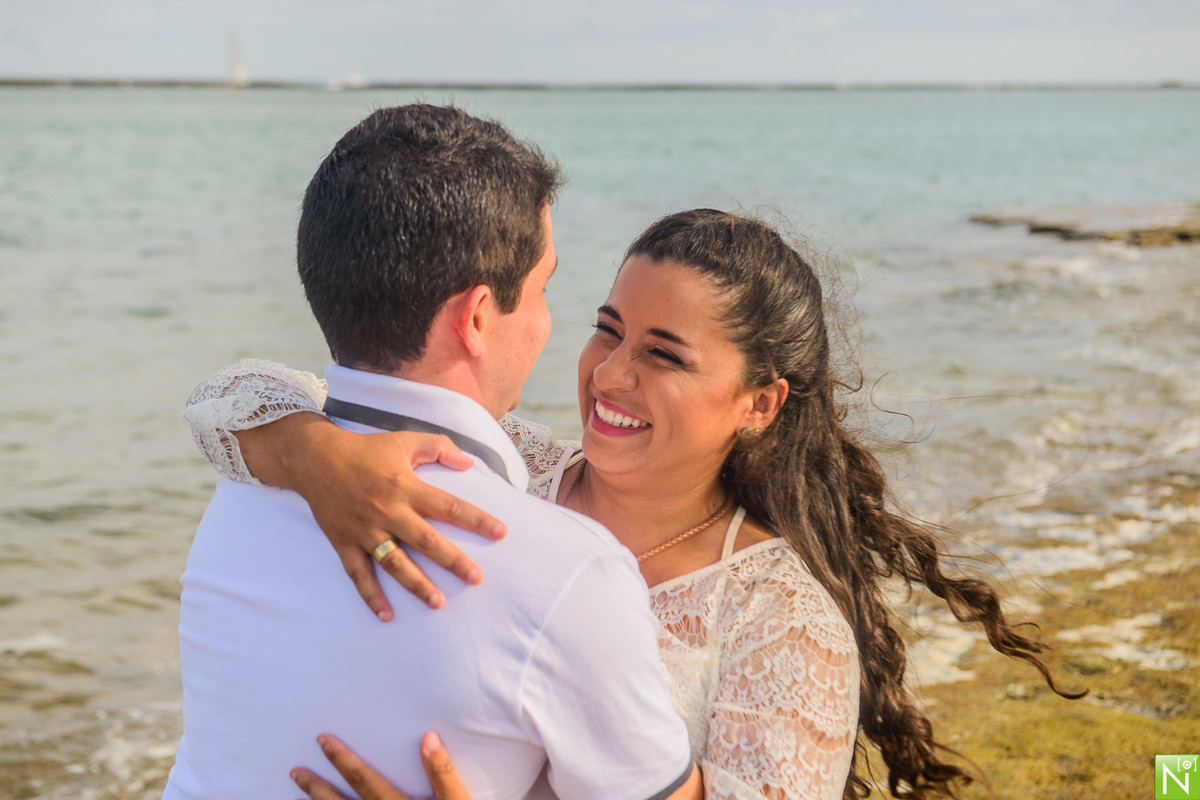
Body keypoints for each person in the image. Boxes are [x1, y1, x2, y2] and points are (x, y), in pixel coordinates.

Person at [186, 209, 1083, 799]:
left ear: (759, 404)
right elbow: (224, 396)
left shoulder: (784, 624)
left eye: (664, 354)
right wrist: (319, 458)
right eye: (607, 330)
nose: (610, 375)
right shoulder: (512, 475)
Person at [163, 103, 703, 800]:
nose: (545, 323)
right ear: (478, 318)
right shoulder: (568, 574)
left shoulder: (245, 481)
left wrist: (308, 455)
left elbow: (225, 396)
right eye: (544, 289)